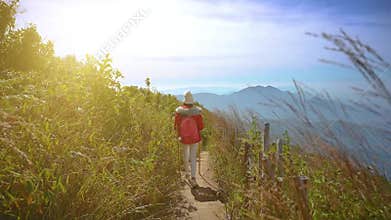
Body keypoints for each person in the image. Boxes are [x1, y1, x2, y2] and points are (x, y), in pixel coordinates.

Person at [174, 91, 204, 185]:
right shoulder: (197, 113)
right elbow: (201, 127)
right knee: (193, 157)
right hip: (195, 138)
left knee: (185, 156)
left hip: (183, 138)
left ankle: (187, 174)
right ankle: (193, 177)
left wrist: (178, 134)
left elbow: (176, 126)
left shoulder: (179, 112)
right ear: (192, 101)